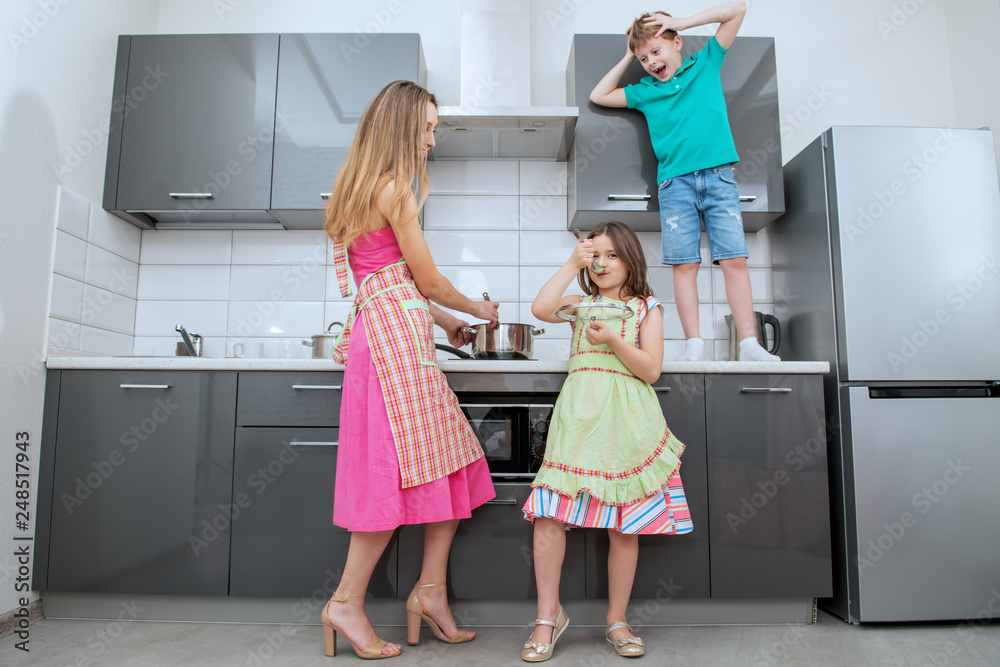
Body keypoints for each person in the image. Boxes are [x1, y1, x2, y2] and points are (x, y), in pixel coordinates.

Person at [322, 80, 500, 660]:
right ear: (400, 128)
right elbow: (424, 279)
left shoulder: (354, 189)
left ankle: (429, 592)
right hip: (392, 347)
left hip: (392, 335)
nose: (431, 139)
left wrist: (445, 324)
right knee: (392, 476)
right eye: (425, 128)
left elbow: (391, 281)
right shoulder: (397, 188)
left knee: (452, 462)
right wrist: (475, 308)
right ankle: (347, 602)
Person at [521, 221, 693, 662]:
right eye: (594, 255)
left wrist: (615, 338)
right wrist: (569, 262)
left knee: (624, 525)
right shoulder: (580, 305)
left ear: (630, 259)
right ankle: (547, 617)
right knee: (548, 516)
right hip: (578, 422)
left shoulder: (645, 308)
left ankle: (617, 620)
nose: (601, 263)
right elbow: (540, 309)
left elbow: (651, 370)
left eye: (612, 254)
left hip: (628, 422)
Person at [589, 3, 780, 362]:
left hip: (719, 177)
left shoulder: (706, 63)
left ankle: (750, 344)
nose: (651, 62)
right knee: (684, 265)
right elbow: (598, 95)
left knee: (734, 260)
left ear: (678, 43)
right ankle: (694, 343)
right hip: (675, 185)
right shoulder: (644, 90)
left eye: (656, 51)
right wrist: (629, 54)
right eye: (643, 58)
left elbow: (737, 10)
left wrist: (683, 21)